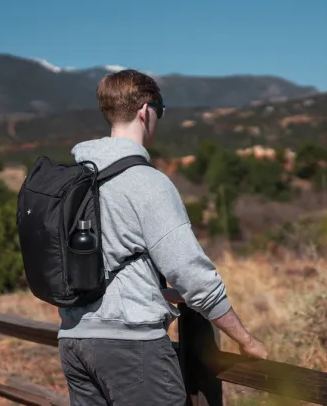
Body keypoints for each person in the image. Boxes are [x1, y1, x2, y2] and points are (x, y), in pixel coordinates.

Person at [57, 69, 268, 406]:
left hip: (74, 341)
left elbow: (105, 261)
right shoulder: (146, 183)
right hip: (131, 349)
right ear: (146, 111)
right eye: (161, 110)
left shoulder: (76, 178)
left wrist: (157, 291)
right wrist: (246, 340)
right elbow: (192, 274)